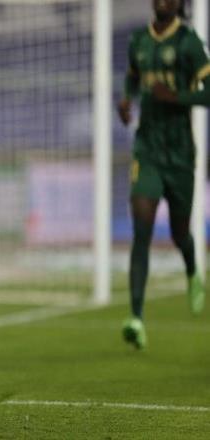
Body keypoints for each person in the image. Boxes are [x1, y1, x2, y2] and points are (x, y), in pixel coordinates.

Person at [118, 0, 208, 349]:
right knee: (141, 229)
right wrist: (126, 101)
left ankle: (193, 268)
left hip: (180, 155)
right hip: (148, 152)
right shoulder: (139, 41)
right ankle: (136, 318)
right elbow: (132, 77)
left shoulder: (188, 42)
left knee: (179, 231)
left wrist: (176, 96)